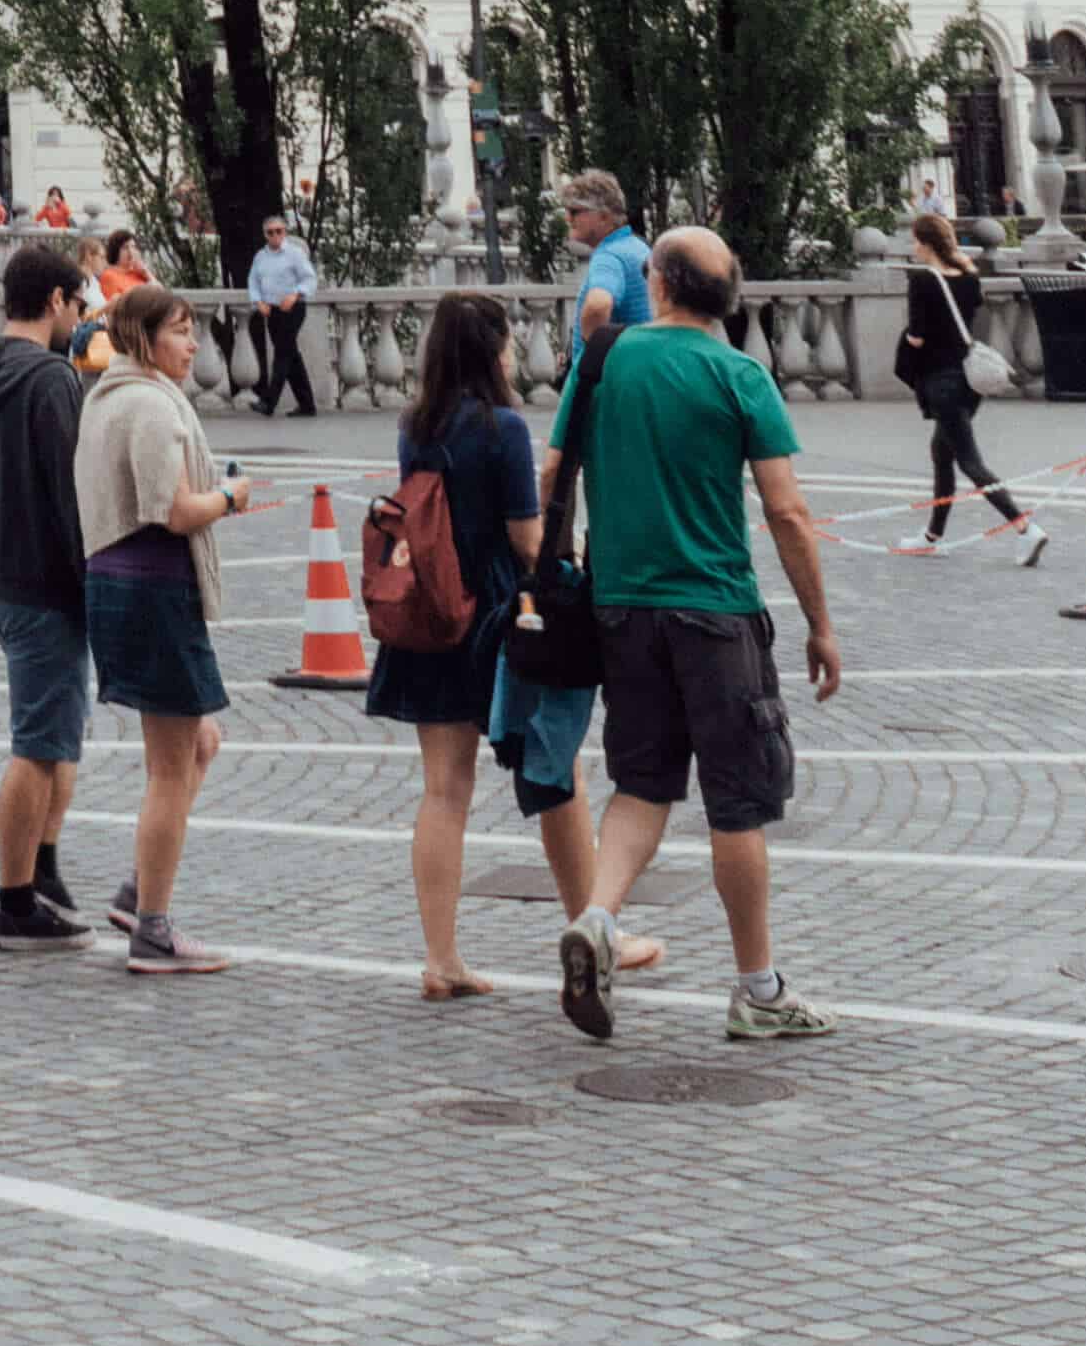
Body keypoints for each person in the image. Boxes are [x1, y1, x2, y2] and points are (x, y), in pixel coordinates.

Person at [548, 227, 843, 1049]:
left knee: (641, 783)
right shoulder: (739, 373)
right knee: (736, 803)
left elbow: (550, 473)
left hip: (621, 607)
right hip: (714, 609)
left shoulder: (602, 362)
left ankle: (599, 917)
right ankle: (757, 988)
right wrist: (819, 623)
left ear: (660, 282)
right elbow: (784, 510)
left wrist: (570, 559)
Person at [367, 294, 551, 999]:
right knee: (551, 770)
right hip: (494, 617)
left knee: (442, 789)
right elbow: (524, 537)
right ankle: (596, 918)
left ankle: (439, 956)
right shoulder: (502, 426)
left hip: (429, 610)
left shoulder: (416, 425)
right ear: (489, 350)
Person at [74, 282, 251, 975]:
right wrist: (229, 497)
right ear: (147, 339)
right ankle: (151, 926)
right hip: (151, 587)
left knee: (198, 739)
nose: (193, 343)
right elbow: (172, 510)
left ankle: (135, 891)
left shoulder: (109, 398)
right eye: (181, 331)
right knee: (171, 765)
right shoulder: (147, 405)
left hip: (127, 583)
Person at [0, 239, 97, 940]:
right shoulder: (52, 379)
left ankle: (44, 863)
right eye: (78, 302)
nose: (83, 316)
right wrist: (91, 579)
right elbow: (71, 493)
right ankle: (14, 899)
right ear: (56, 301)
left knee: (58, 728)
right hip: (42, 578)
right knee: (37, 742)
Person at [894, 212, 1042, 556]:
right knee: (941, 453)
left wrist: (906, 348)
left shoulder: (923, 281)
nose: (913, 247)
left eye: (915, 240)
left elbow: (917, 336)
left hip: (940, 379)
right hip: (967, 379)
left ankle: (1024, 526)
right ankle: (932, 537)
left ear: (926, 243)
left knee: (970, 462)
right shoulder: (968, 276)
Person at [562, 171, 656, 343]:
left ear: (604, 217)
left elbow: (598, 306)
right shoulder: (637, 246)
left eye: (575, 211)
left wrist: (591, 354)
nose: (567, 217)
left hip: (612, 368)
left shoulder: (609, 256)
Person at [245, 212, 319, 420]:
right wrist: (258, 301)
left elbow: (310, 278)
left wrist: (295, 294)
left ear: (285, 232)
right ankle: (307, 404)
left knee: (282, 355)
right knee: (291, 355)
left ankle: (269, 402)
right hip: (273, 311)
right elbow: (253, 282)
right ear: (265, 235)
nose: (275, 235)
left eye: (279, 231)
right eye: (270, 232)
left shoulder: (294, 254)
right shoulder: (261, 256)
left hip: (293, 309)